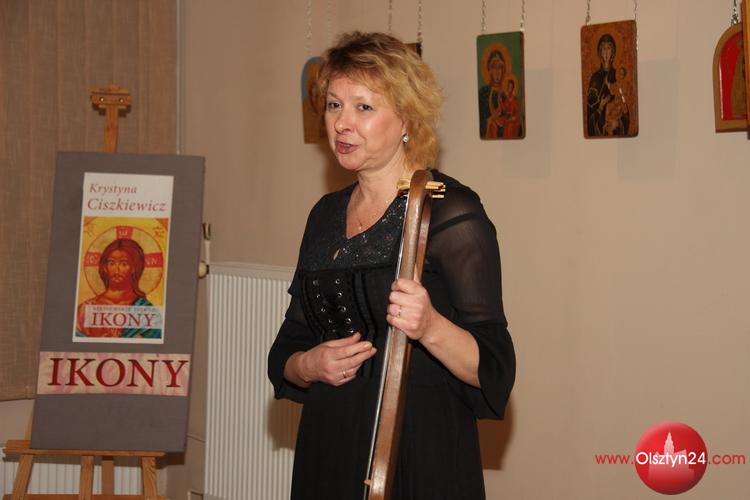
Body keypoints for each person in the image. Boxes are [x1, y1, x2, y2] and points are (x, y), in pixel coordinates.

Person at [268, 31, 515, 500]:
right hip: (327, 447)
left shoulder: (451, 212)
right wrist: (310, 364)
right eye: (334, 105)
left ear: (407, 118)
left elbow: (496, 369)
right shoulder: (324, 215)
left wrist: (431, 326)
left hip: (419, 454)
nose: (342, 123)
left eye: (363, 107)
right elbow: (286, 352)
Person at [76, 238, 160, 339]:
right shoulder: (85, 309)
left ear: (134, 268)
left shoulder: (146, 310)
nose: (116, 270)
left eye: (124, 264)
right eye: (111, 263)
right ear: (105, 267)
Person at [586, 34, 629, 136]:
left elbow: (624, 103)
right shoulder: (595, 78)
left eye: (608, 48)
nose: (606, 52)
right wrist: (601, 106)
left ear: (613, 51)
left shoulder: (618, 75)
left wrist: (617, 123)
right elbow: (589, 113)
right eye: (603, 49)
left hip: (615, 124)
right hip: (599, 128)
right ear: (600, 52)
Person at [478, 49, 508, 139]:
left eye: (500, 67)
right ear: (490, 70)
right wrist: (491, 119)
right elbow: (479, 123)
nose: (497, 72)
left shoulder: (505, 94)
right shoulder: (483, 92)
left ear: (503, 70)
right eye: (494, 67)